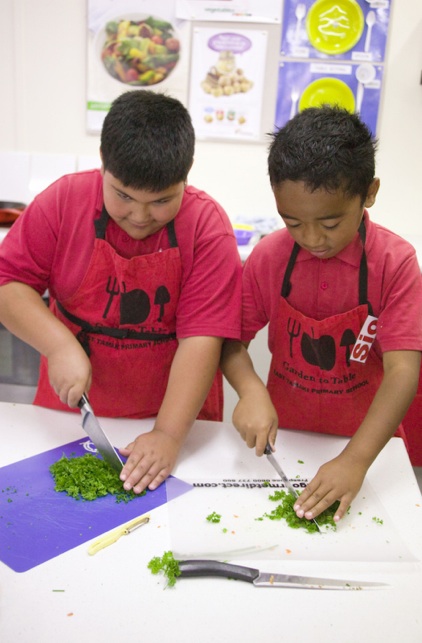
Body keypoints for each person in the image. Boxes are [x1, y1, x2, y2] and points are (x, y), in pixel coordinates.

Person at [0, 90, 242, 494]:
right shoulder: (64, 202)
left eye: (162, 200)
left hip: (180, 422)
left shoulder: (207, 227)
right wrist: (59, 346)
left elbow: (202, 340)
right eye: (123, 196)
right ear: (102, 161)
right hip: (71, 415)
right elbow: (9, 284)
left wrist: (167, 434)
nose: (140, 215)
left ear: (187, 173)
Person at [221, 106, 422, 522]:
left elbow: (403, 369)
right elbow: (230, 342)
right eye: (292, 221)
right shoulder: (270, 256)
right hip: (286, 440)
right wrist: (250, 390)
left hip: (369, 443)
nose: (311, 238)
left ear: (369, 193)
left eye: (330, 223)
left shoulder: (395, 262)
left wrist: (356, 460)